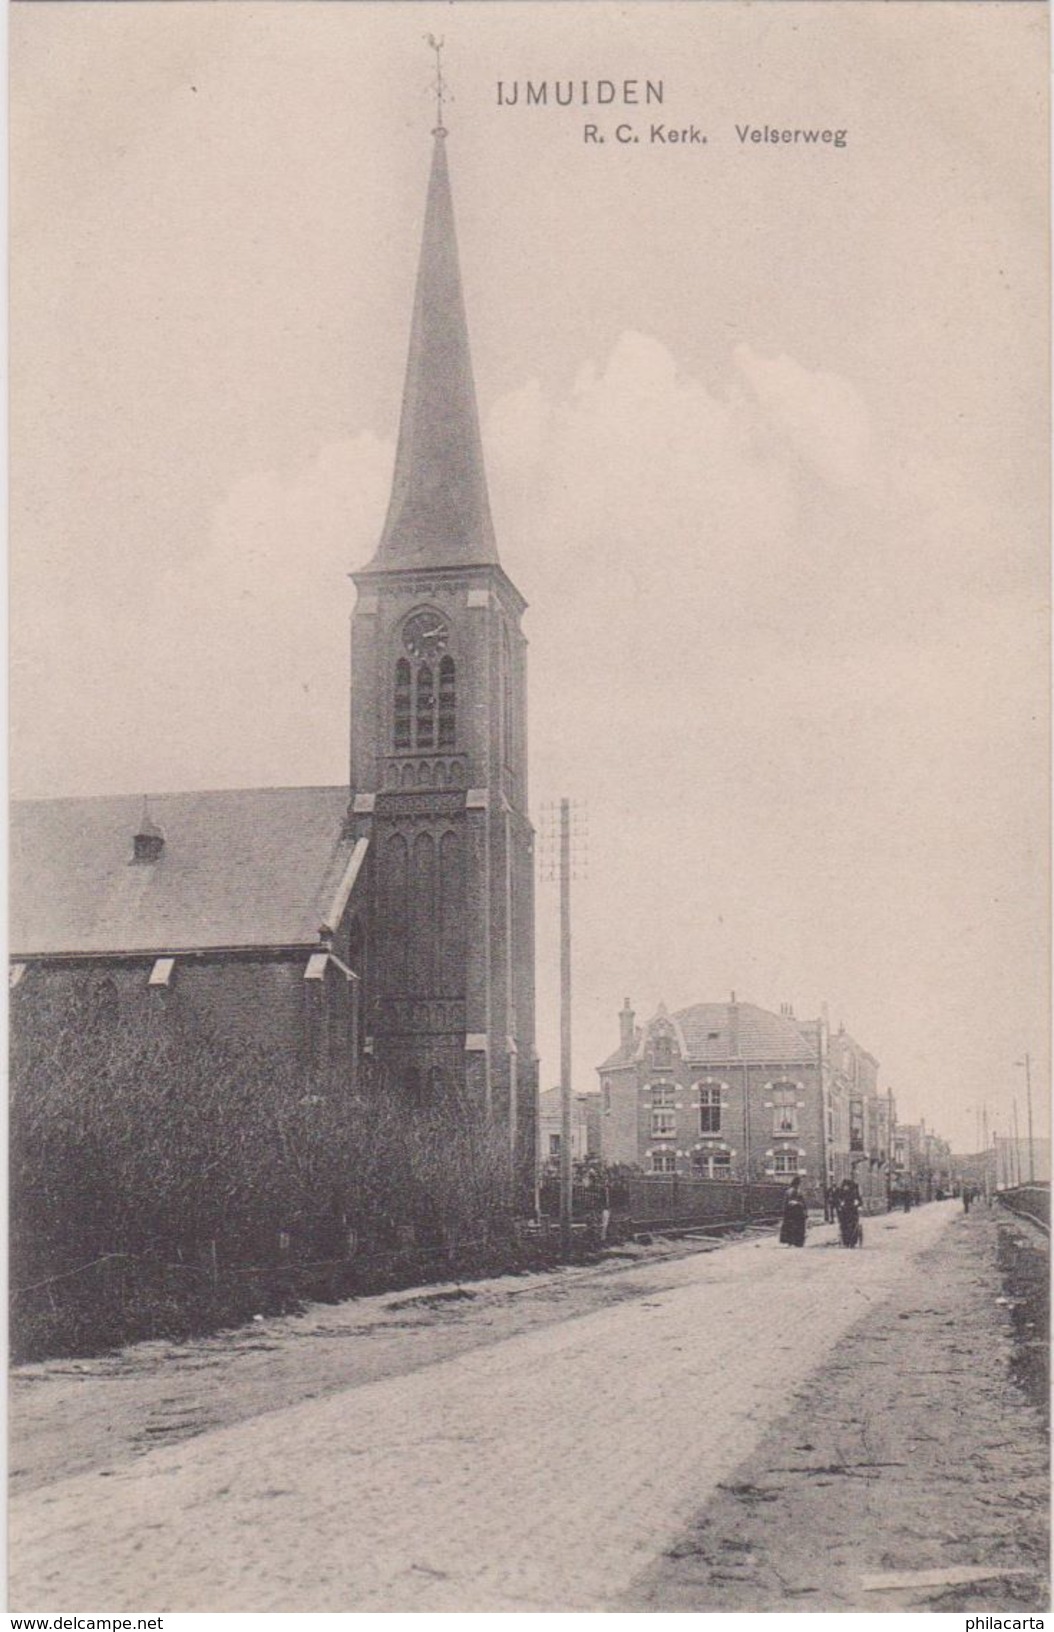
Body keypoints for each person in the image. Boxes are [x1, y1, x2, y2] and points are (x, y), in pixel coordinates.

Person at [779, 1176, 808, 1247]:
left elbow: (786, 1202)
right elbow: (802, 1202)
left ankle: (793, 1241)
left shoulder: (792, 1191)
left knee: (792, 1226)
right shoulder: (794, 1191)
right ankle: (796, 1241)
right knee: (795, 1226)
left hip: (793, 1211)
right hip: (795, 1211)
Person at [836, 1175, 863, 1248]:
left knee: (853, 1225)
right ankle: (846, 1241)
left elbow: (859, 1201)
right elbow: (838, 1201)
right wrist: (840, 1205)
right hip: (844, 1212)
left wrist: (858, 1204)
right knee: (844, 1226)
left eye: (847, 1186)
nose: (845, 1188)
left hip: (852, 1211)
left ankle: (852, 1241)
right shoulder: (841, 1193)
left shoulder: (853, 1193)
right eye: (844, 1186)